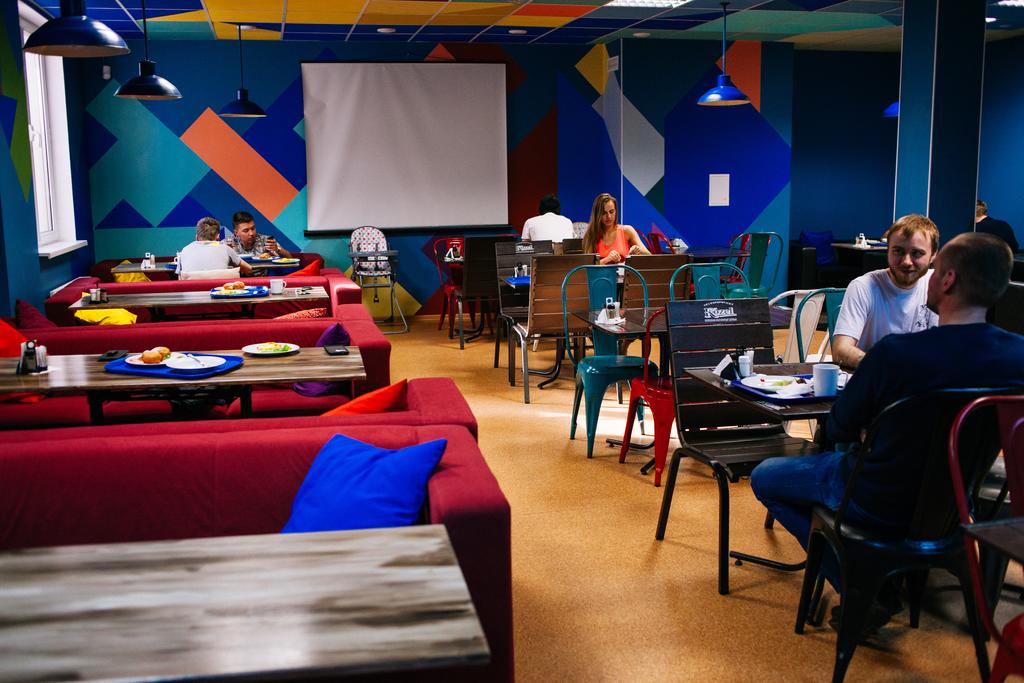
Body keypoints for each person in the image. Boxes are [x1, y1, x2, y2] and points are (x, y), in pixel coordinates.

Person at [750, 232, 1024, 612]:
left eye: (934, 268)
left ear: (947, 280)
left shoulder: (894, 354)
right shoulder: (1018, 357)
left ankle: (860, 586)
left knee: (765, 476)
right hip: (961, 508)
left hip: (875, 502)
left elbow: (839, 427)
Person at [831, 214, 939, 369]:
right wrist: (885, 367)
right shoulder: (863, 286)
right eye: (898, 251)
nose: (906, 262)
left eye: (917, 253)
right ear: (887, 250)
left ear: (933, 255)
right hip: (875, 378)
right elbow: (841, 350)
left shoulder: (936, 285)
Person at [581, 193, 650, 265]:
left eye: (611, 212)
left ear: (616, 211)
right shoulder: (590, 235)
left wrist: (638, 250)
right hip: (600, 273)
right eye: (604, 213)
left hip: (625, 272)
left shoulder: (627, 230)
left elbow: (649, 256)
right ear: (597, 214)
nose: (609, 216)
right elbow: (587, 267)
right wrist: (607, 259)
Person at [178, 217, 252, 275]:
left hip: (191, 290)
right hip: (220, 289)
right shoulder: (225, 248)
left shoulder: (184, 250)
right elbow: (248, 269)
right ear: (218, 237)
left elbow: (180, 278)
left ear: (197, 237)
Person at [225, 211, 292, 258]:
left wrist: (278, 249)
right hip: (238, 274)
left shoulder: (266, 240)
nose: (251, 233)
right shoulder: (228, 244)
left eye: (253, 228)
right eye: (246, 231)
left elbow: (290, 258)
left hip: (261, 274)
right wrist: (225, 253)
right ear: (236, 233)